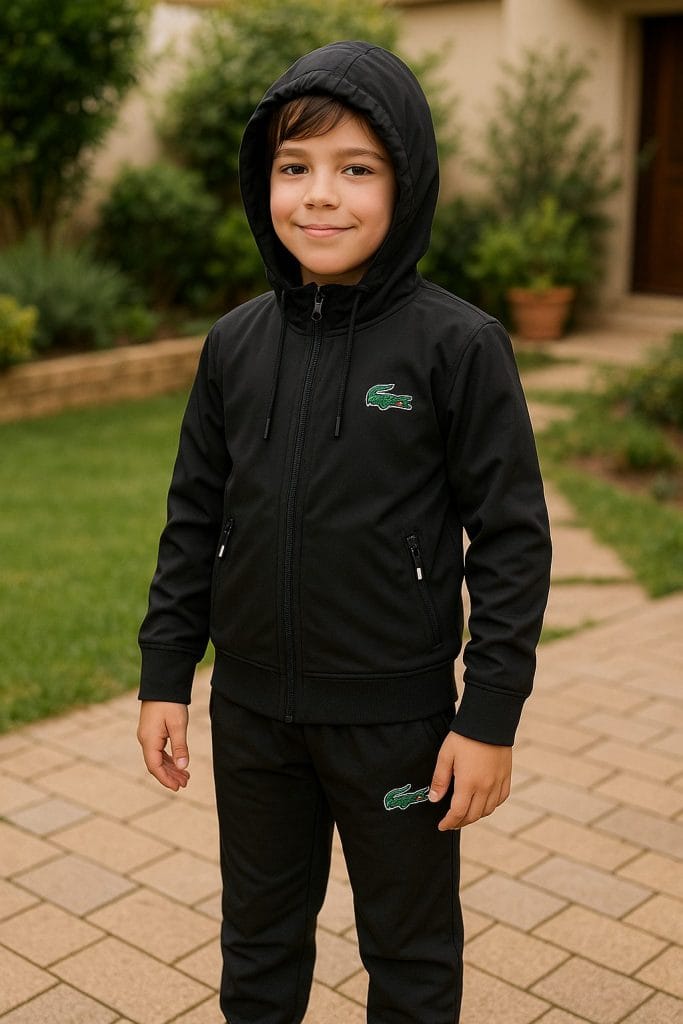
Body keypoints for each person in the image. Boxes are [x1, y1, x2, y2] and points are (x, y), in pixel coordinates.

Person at [136, 40, 552, 1024]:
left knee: (408, 950)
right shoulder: (233, 344)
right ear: (263, 182)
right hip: (251, 717)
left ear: (406, 182)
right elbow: (193, 514)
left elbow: (510, 539)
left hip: (397, 729)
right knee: (257, 944)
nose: (319, 195)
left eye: (356, 168)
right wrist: (165, 674)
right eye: (294, 166)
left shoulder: (458, 346)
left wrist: (488, 716)